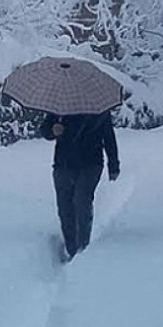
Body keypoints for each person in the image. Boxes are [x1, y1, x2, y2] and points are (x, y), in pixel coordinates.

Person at [40, 111, 120, 261]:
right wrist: (53, 130)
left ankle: (83, 247)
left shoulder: (98, 107)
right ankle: (71, 247)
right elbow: (45, 130)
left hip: (91, 164)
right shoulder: (60, 106)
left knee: (82, 200)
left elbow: (109, 136)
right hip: (63, 164)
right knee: (65, 207)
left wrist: (113, 164)